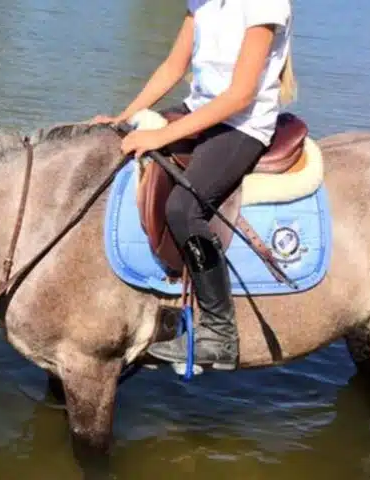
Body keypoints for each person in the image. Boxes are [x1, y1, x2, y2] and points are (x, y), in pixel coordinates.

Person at [90, 0, 297, 371]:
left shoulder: (264, 4)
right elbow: (173, 67)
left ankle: (220, 333)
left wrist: (164, 134)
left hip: (241, 125)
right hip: (198, 110)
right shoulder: (200, 3)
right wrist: (124, 118)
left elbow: (240, 95)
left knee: (184, 209)